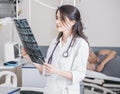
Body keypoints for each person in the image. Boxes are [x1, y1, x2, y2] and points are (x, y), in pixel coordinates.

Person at [22, 5, 89, 94]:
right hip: (50, 90)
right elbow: (45, 70)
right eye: (56, 18)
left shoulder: (81, 44)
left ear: (73, 21)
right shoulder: (55, 42)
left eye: (61, 19)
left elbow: (79, 75)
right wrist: (31, 58)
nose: (57, 21)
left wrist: (56, 71)